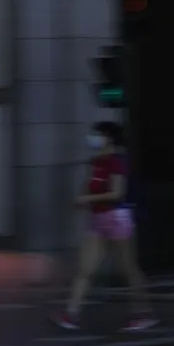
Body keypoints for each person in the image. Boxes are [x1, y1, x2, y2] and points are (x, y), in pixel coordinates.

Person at [52, 122, 156, 332]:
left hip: (117, 217)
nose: (92, 138)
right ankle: (71, 314)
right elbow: (91, 187)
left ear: (108, 137)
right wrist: (85, 199)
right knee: (85, 268)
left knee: (127, 268)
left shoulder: (117, 161)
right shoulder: (97, 162)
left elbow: (117, 193)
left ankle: (143, 313)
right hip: (98, 218)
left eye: (96, 134)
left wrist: (88, 197)